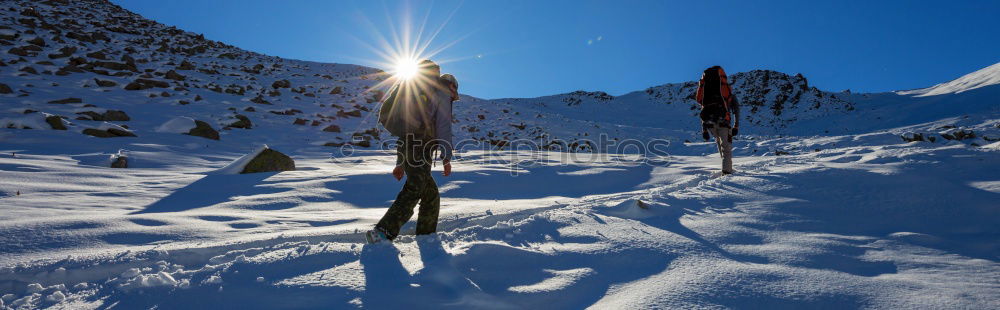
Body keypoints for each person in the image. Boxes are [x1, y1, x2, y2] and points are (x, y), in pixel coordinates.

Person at [366, 60, 457, 243]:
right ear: (453, 86)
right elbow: (443, 126)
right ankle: (382, 232)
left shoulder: (421, 90)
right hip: (421, 147)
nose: (454, 96)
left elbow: (406, 133)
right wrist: (446, 157)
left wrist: (401, 163)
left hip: (410, 145)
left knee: (430, 195)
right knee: (414, 189)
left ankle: (426, 236)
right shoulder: (443, 91)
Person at [695, 65, 741, 174]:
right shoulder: (728, 94)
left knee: (719, 143)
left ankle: (726, 167)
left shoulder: (707, 93)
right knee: (726, 147)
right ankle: (727, 172)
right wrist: (736, 125)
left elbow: (704, 109)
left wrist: (704, 130)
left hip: (709, 123)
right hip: (724, 122)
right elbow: (736, 110)